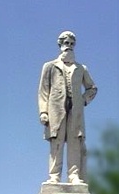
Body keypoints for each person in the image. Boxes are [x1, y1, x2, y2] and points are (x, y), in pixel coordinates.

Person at [38, 31, 97, 184]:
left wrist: (83, 100)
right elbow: (44, 91)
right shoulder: (50, 66)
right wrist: (43, 111)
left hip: (75, 110)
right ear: (60, 45)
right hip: (56, 110)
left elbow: (92, 88)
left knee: (74, 142)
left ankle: (74, 175)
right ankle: (54, 176)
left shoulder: (81, 68)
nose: (68, 47)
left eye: (71, 44)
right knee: (56, 141)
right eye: (66, 43)